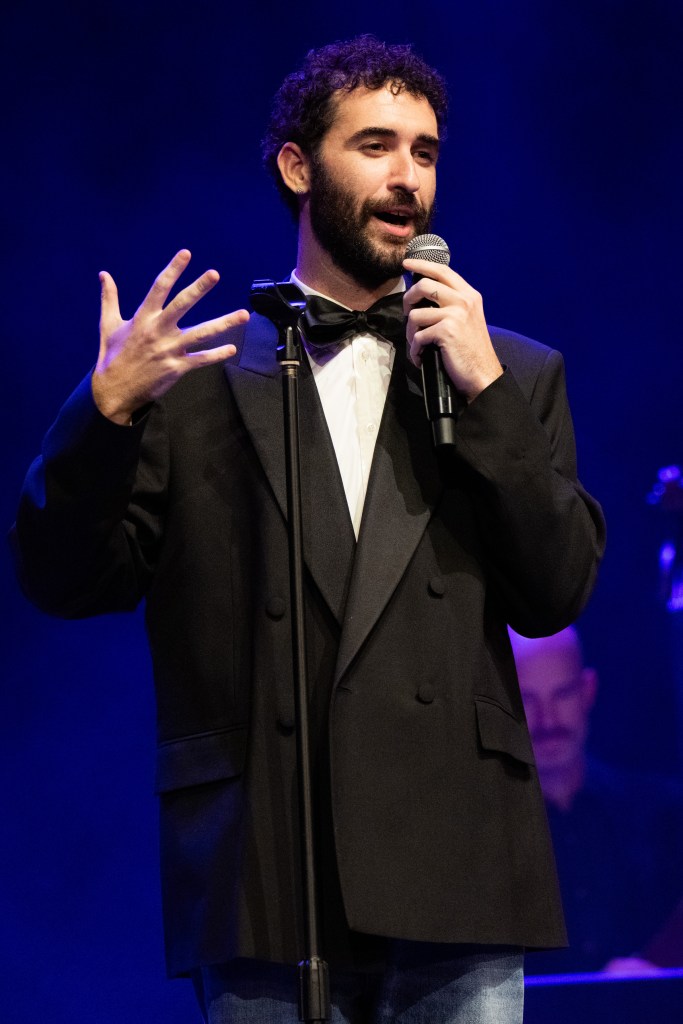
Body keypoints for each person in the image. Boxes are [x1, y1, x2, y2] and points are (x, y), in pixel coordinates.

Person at [11, 35, 605, 1024]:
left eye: (424, 152)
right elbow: (65, 579)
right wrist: (102, 414)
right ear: (297, 166)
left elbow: (556, 592)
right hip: (264, 865)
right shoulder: (192, 383)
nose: (407, 177)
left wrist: (488, 399)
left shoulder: (510, 373)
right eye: (375, 145)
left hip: (457, 861)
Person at [510, 626, 683, 975]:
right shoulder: (469, 839)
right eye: (526, 699)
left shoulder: (664, 814)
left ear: (588, 691)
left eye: (562, 694)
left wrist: (654, 972)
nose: (547, 720)